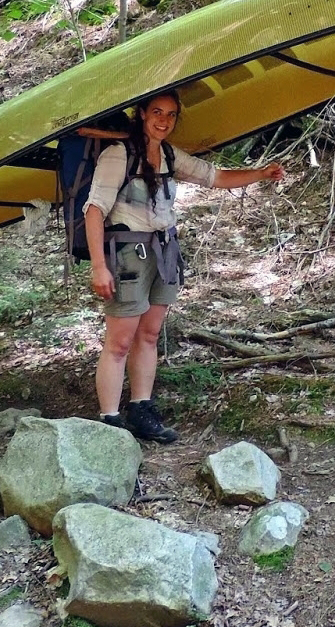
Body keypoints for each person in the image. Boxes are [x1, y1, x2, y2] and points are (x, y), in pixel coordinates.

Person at [83, 90, 284, 442]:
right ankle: (109, 424)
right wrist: (99, 266)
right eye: (157, 112)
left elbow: (215, 177)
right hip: (128, 254)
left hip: (164, 252)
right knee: (119, 341)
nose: (163, 120)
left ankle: (141, 410)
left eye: (171, 115)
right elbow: (95, 209)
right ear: (142, 114)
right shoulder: (119, 155)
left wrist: (261, 174)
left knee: (148, 335)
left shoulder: (169, 156)